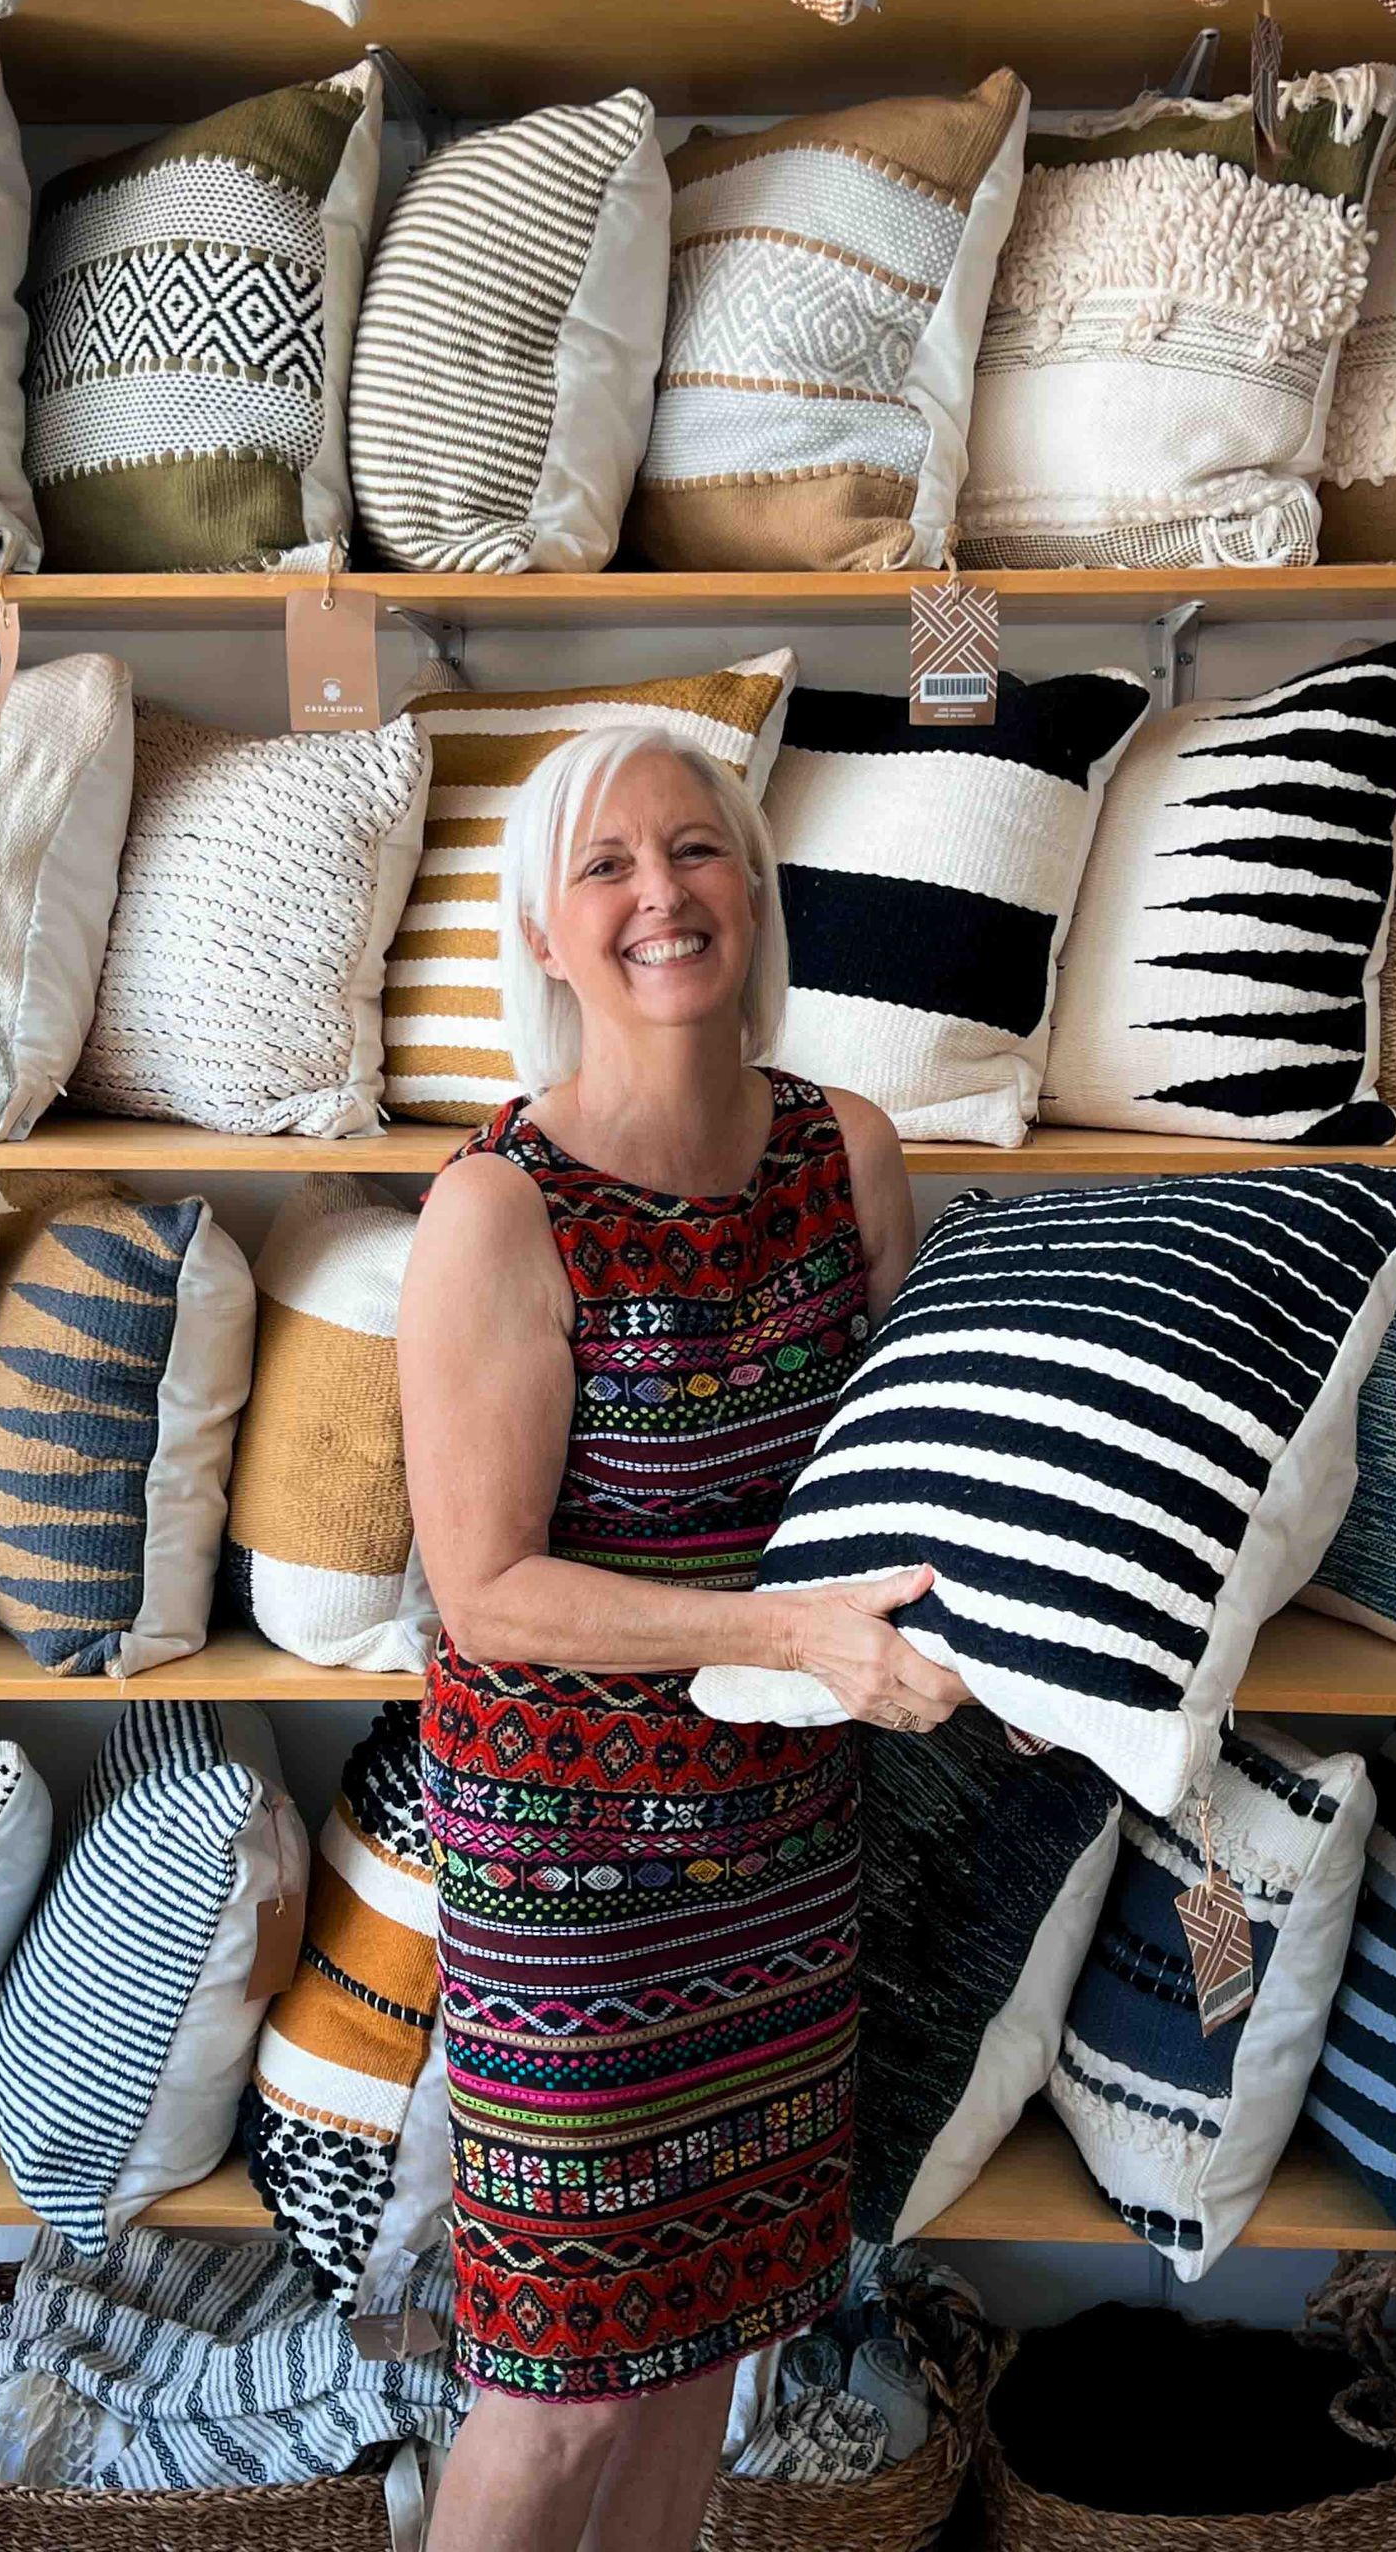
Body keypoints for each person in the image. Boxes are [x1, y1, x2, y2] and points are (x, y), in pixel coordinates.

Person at [399, 723, 971, 2552]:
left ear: (753, 883)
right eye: (608, 866)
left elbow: (906, 1469)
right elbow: (484, 1591)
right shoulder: (499, 1213)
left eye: (698, 849)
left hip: (782, 1858)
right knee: (561, 2393)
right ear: (547, 936)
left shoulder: (843, 1152)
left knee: (702, 2360)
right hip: (571, 1879)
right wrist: (789, 1638)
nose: (663, 895)